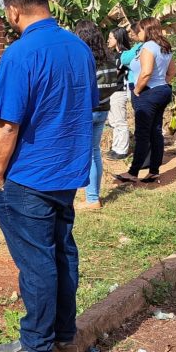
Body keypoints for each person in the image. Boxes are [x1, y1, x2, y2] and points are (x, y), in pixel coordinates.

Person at [0, 0, 98, 352]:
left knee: (37, 260)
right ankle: (64, 332)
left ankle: (36, 342)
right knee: (62, 252)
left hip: (27, 176)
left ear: (14, 10)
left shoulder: (20, 53)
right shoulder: (79, 49)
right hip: (66, 172)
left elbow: (7, 124)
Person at [115, 18, 176, 184]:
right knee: (155, 132)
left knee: (142, 134)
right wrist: (161, 83)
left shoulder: (148, 47)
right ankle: (154, 171)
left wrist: (137, 90)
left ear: (147, 30)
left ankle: (133, 172)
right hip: (162, 90)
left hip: (148, 92)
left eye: (139, 30)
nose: (137, 33)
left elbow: (146, 72)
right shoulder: (165, 46)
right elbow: (172, 71)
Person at [74, 20, 122, 210]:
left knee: (83, 153)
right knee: (94, 152)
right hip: (103, 110)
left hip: (86, 112)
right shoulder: (110, 58)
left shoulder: (83, 60)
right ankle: (92, 196)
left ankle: (91, 199)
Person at [106, 27, 132, 160]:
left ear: (118, 39)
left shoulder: (123, 55)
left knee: (120, 121)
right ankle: (116, 147)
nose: (108, 40)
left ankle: (122, 150)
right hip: (113, 91)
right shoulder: (115, 55)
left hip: (119, 91)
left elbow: (114, 74)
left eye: (111, 38)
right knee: (114, 121)